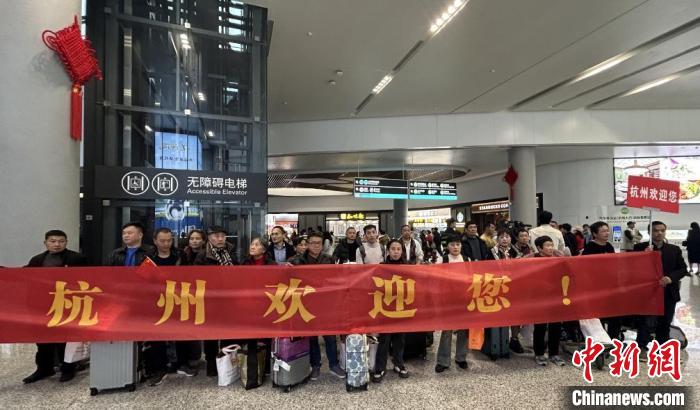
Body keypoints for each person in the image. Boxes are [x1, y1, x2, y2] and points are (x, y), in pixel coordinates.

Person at [23, 230, 87, 384]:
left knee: (65, 339)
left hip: (67, 304)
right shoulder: (37, 260)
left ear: (66, 242)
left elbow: (87, 279)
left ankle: (68, 368)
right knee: (42, 339)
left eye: (61, 241)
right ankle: (44, 368)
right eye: (53, 241)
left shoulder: (77, 258)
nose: (57, 244)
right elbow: (26, 278)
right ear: (45, 242)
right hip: (43, 305)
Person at [288, 232, 345, 380]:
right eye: (312, 243)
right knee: (312, 337)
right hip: (307, 303)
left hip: (326, 303)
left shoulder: (329, 259)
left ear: (322, 244)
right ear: (307, 244)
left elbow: (337, 278)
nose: (315, 246)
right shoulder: (297, 260)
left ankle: (333, 364)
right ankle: (315, 365)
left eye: (318, 243)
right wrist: (286, 269)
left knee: (330, 336)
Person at [148, 228, 198, 383]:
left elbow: (188, 276)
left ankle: (182, 363)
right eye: (162, 241)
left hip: (177, 298)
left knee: (181, 332)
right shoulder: (148, 258)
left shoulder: (180, 255)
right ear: (155, 241)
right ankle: (160, 367)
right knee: (156, 335)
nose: (166, 244)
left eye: (169, 240)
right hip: (155, 300)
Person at [634, 221, 688, 351]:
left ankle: (662, 347)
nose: (659, 233)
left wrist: (670, 278)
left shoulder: (674, 249)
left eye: (662, 230)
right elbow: (632, 269)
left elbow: (682, 269)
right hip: (648, 292)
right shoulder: (639, 248)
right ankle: (641, 347)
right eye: (656, 230)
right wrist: (643, 256)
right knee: (646, 321)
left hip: (668, 292)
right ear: (649, 232)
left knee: (665, 322)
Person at [194, 226, 238, 377]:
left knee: (228, 331)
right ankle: (211, 363)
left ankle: (226, 361)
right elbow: (196, 277)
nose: (220, 239)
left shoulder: (231, 252)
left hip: (229, 298)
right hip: (210, 299)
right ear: (209, 238)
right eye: (216, 236)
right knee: (211, 332)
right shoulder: (202, 255)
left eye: (222, 236)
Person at [372, 239, 409, 382]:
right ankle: (380, 367)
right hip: (386, 308)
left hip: (401, 307)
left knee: (400, 339)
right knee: (384, 339)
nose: (396, 252)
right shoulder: (381, 267)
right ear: (388, 251)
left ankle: (399, 364)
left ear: (402, 251)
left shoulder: (408, 267)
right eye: (393, 249)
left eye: (398, 249)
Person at [580, 222, 620, 339]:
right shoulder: (590, 247)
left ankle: (614, 339)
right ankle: (601, 340)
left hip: (610, 284)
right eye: (603, 231)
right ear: (594, 233)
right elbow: (586, 267)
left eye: (607, 230)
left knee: (615, 314)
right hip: (595, 285)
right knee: (598, 314)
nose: (606, 233)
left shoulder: (609, 246)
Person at [435, 236, 469, 372]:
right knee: (447, 330)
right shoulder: (442, 260)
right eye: (452, 244)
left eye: (458, 244)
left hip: (464, 299)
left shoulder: (467, 259)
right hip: (447, 300)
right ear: (447, 246)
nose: (455, 247)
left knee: (463, 329)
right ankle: (443, 361)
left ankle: (461, 357)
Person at [489, 230, 525, 354]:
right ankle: (496, 340)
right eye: (502, 237)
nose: (504, 239)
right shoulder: (491, 252)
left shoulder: (516, 251)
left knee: (516, 314)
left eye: (507, 236)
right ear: (497, 239)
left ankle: (514, 339)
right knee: (499, 315)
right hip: (497, 287)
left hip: (515, 286)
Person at [532, 236, 566, 367]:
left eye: (552, 245)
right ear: (539, 248)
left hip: (555, 296)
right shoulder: (532, 260)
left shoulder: (557, 259)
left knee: (555, 326)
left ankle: (554, 354)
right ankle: (539, 353)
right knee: (540, 326)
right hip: (539, 298)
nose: (551, 248)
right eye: (547, 245)